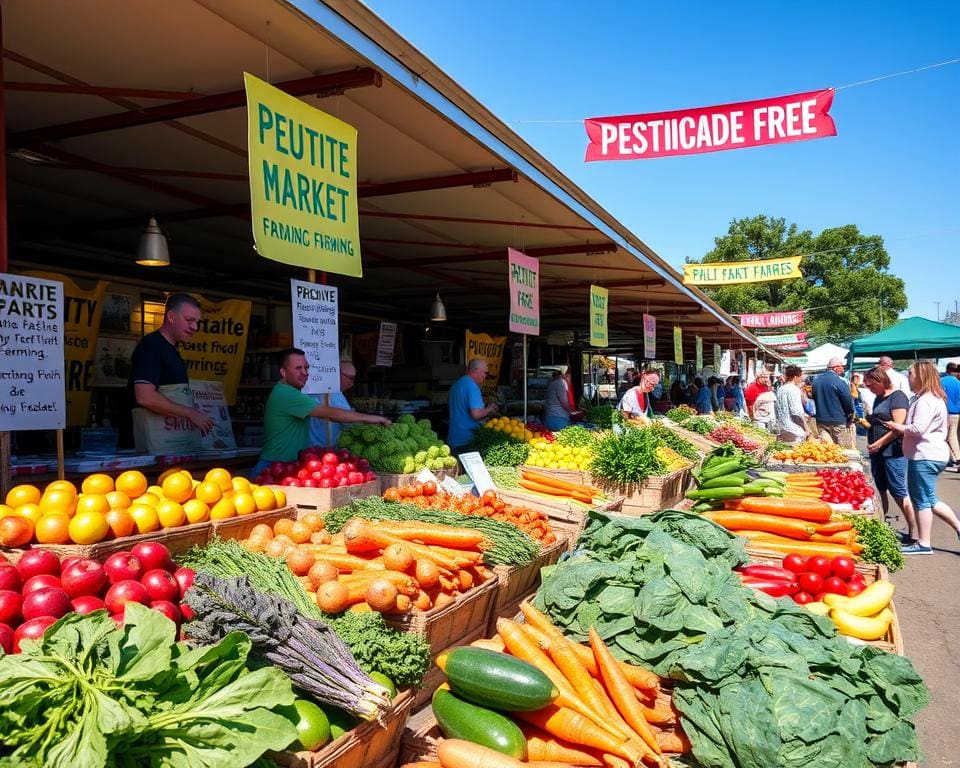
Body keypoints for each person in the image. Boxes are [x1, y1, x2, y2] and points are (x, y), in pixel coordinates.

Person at [251, 349, 390, 477]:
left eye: (306, 367)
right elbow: (328, 413)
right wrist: (372, 418)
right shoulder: (286, 394)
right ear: (283, 372)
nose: (304, 372)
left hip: (286, 465)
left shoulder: (290, 392)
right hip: (274, 466)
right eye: (298, 368)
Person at [884, 360, 960, 554]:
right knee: (930, 499)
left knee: (922, 500)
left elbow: (918, 429)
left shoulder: (926, 400)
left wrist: (896, 426)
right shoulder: (930, 397)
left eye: (910, 374)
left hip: (925, 455)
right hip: (930, 454)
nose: (908, 378)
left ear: (920, 376)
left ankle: (924, 543)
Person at [129, 292, 214, 436]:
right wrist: (190, 413)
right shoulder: (151, 345)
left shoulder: (173, 349)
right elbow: (145, 397)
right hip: (148, 444)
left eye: (197, 322)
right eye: (189, 320)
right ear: (171, 317)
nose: (194, 327)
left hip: (169, 439)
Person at [862, 367, 915, 529]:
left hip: (893, 451)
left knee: (898, 490)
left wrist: (879, 443)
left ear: (880, 381)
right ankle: (881, 522)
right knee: (880, 487)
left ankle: (913, 529)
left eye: (871, 385)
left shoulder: (897, 397)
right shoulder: (879, 397)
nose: (869, 389)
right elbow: (877, 422)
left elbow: (897, 428)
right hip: (878, 451)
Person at [448, 358, 499, 452]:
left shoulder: (457, 384)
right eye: (485, 373)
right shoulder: (472, 387)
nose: (485, 376)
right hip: (467, 440)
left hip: (454, 438)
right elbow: (476, 415)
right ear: (475, 371)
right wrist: (489, 409)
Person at [308, 359, 358, 448]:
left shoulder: (327, 391)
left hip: (315, 449)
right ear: (336, 374)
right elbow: (349, 423)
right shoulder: (334, 394)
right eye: (350, 378)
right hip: (320, 450)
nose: (352, 382)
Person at [811, 357, 855, 447]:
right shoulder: (839, 381)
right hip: (838, 421)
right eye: (841, 366)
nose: (843, 369)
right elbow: (848, 401)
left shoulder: (816, 381)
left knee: (826, 450)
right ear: (835, 368)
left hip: (821, 421)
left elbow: (814, 398)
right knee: (842, 449)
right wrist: (850, 415)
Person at [774, 365, 808, 444]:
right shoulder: (794, 389)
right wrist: (806, 428)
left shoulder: (781, 389)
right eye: (800, 377)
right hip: (794, 431)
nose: (801, 379)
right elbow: (796, 413)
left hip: (781, 428)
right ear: (795, 377)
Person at [942, 362, 960, 471]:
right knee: (955, 435)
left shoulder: (942, 381)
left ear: (947, 369)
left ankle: (956, 458)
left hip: (947, 412)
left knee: (948, 436)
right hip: (957, 413)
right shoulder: (958, 383)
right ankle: (954, 457)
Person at [544, 367, 573, 431]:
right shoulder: (560, 383)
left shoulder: (553, 383)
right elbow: (565, 403)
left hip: (552, 417)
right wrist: (574, 411)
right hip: (558, 419)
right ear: (566, 375)